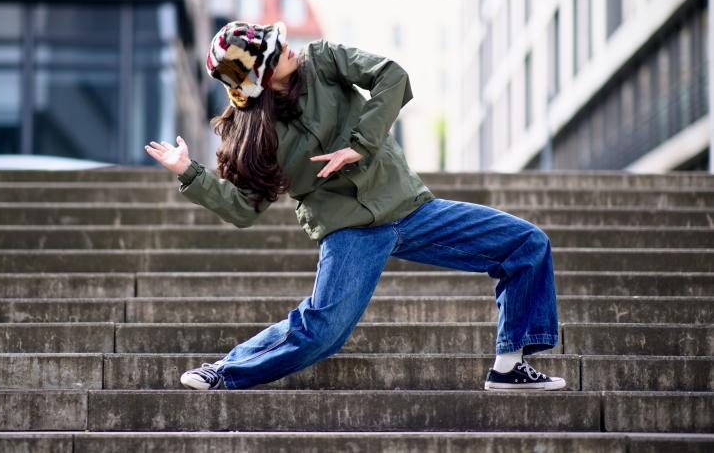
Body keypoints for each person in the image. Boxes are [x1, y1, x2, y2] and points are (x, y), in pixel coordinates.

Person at [144, 20, 566, 392]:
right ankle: (225, 370)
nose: (287, 46)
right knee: (322, 332)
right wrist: (189, 173)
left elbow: (391, 76)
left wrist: (358, 146)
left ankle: (510, 367)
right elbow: (243, 209)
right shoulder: (258, 137)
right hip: (349, 231)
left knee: (526, 244)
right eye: (274, 52)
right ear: (261, 78)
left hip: (409, 208)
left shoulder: (323, 60)